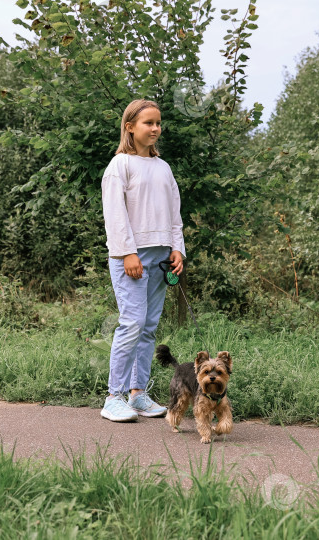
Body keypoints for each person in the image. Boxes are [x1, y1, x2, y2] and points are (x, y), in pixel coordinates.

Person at [100, 99, 186, 422]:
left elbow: (174, 213)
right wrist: (128, 253)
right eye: (148, 123)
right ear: (130, 127)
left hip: (161, 255)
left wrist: (177, 249)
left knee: (149, 326)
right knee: (132, 322)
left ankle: (138, 394)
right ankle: (114, 397)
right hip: (130, 257)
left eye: (158, 123)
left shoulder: (163, 168)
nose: (155, 128)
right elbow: (115, 215)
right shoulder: (119, 166)